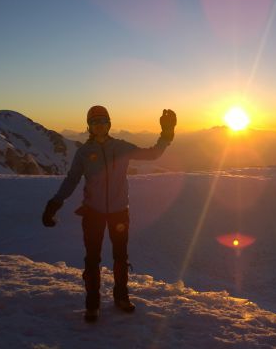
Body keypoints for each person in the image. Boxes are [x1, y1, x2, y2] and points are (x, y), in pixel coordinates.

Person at [41, 105, 176, 322]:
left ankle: (121, 297)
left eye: (103, 121)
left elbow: (152, 154)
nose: (100, 126)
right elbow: (72, 179)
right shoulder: (84, 153)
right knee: (92, 259)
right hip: (93, 212)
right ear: (89, 127)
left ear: (109, 124)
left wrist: (166, 134)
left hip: (119, 212)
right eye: (95, 122)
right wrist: (55, 203)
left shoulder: (121, 147)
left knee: (120, 257)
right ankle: (92, 304)